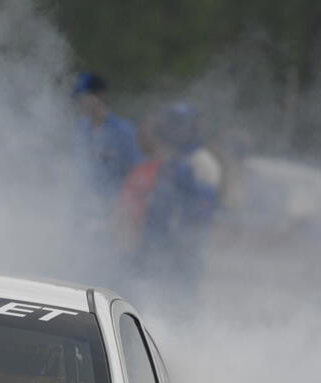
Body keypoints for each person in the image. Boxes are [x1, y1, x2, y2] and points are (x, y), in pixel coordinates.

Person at [139, 102, 222, 290]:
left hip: (186, 249)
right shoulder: (172, 159)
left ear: (193, 128)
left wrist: (182, 247)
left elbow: (203, 212)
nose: (175, 129)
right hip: (162, 246)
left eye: (181, 124)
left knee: (181, 295)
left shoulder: (204, 162)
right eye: (173, 123)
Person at [73, 72, 141, 205]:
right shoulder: (81, 129)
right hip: (85, 207)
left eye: (84, 96)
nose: (80, 102)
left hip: (115, 206)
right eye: (78, 98)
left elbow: (136, 170)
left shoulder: (123, 131)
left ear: (100, 95)